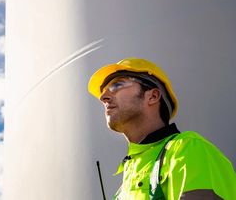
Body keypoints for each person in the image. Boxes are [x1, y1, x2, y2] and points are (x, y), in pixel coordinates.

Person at [88, 57, 236, 199]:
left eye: (117, 85)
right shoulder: (126, 182)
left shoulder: (186, 149)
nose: (103, 97)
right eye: (103, 91)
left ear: (153, 96)